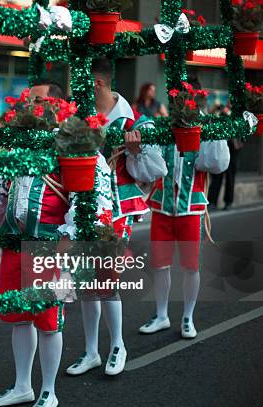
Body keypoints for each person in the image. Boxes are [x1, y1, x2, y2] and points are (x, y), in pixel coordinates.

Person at [0, 80, 114, 407]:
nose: (27, 106)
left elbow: (93, 198)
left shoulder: (76, 145)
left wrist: (68, 237)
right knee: (19, 317)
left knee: (49, 320)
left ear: (58, 106)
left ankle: (49, 390)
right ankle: (23, 385)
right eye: (27, 100)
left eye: (36, 101)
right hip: (14, 243)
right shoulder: (19, 146)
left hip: (50, 247)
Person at [65, 58, 168, 377]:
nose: (72, 88)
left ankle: (118, 346)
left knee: (107, 278)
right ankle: (92, 351)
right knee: (86, 281)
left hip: (116, 208)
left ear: (95, 83)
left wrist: (137, 151)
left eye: (77, 81)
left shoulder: (133, 121)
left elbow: (155, 170)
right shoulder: (74, 115)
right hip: (80, 205)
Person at [139, 87, 230, 339]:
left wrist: (205, 130)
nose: (185, 104)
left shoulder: (205, 128)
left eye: (190, 99)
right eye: (180, 99)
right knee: (159, 265)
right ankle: (161, 315)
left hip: (191, 207)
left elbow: (215, 164)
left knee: (191, 267)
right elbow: (151, 164)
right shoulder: (161, 126)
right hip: (161, 206)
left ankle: (188, 317)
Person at [208, 104, 241, 211]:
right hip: (220, 147)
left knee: (230, 176)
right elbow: (210, 118)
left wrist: (228, 113)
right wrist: (216, 109)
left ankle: (228, 202)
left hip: (232, 148)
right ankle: (212, 201)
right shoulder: (221, 112)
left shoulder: (238, 113)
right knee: (216, 174)